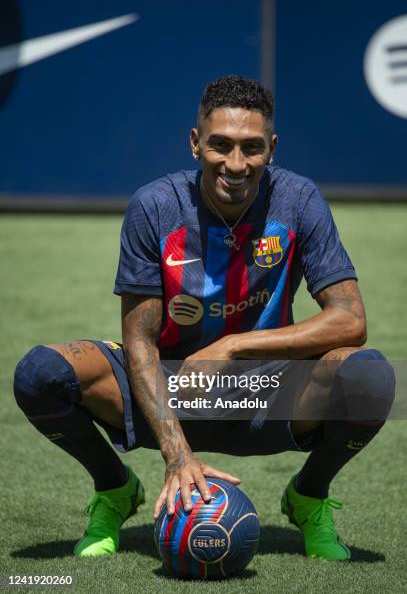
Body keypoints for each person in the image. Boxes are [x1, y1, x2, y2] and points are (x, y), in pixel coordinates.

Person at [13, 75, 395, 563]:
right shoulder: (155, 206)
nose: (236, 164)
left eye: (252, 148)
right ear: (195, 143)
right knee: (41, 374)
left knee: (370, 376)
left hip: (267, 393)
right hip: (173, 388)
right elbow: (141, 343)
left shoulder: (298, 200)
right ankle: (115, 489)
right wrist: (176, 454)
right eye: (221, 145)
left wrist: (232, 346)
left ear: (271, 149)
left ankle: (309, 496)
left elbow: (349, 320)